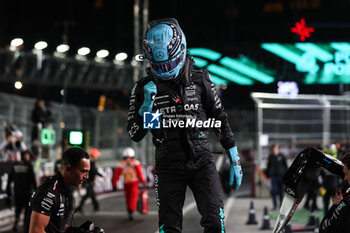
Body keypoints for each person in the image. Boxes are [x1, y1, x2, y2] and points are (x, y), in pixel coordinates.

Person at [127, 18, 242, 232]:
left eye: (169, 63)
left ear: (181, 51)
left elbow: (219, 117)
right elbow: (135, 134)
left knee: (215, 223)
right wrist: (145, 109)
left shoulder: (200, 78)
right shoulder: (143, 87)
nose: (165, 69)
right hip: (168, 165)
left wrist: (234, 159)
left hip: (202, 160)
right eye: (159, 65)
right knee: (168, 228)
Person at [27, 147, 90, 233]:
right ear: (68, 168)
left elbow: (56, 225)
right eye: (83, 171)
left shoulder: (66, 188)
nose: (87, 176)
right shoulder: (48, 193)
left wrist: (77, 231)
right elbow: (36, 231)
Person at [6, 150, 37, 232]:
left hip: (17, 192)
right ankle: (25, 227)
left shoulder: (14, 165)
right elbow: (33, 179)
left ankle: (16, 222)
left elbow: (9, 180)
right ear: (26, 156)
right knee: (27, 210)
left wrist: (8, 191)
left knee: (18, 209)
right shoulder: (29, 165)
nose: (29, 157)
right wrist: (37, 191)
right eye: (28, 155)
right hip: (27, 192)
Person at [112, 147, 146, 220]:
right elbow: (140, 174)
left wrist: (114, 184)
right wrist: (143, 182)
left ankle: (130, 211)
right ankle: (131, 211)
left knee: (129, 198)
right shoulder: (135, 163)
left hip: (127, 183)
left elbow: (116, 175)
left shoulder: (121, 164)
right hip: (133, 182)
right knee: (132, 197)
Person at [320, 152, 350, 233]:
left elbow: (324, 229)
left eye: (346, 174)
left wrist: (335, 206)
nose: (345, 179)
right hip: (327, 189)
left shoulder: (346, 203)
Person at [76, 148, 104, 213]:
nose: (97, 157)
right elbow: (94, 171)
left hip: (89, 181)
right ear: (93, 155)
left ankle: (81, 207)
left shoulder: (91, 162)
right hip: (88, 182)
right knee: (90, 195)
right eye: (96, 155)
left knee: (90, 195)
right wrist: (101, 175)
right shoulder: (90, 163)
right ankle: (95, 207)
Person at [266, 144, 288, 210]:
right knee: (274, 191)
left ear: (277, 148)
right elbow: (268, 167)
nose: (274, 150)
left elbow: (286, 166)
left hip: (281, 177)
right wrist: (268, 176)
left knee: (281, 192)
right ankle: (275, 206)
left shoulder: (282, 156)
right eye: (273, 149)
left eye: (275, 148)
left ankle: (281, 205)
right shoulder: (271, 157)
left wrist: (286, 177)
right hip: (273, 177)